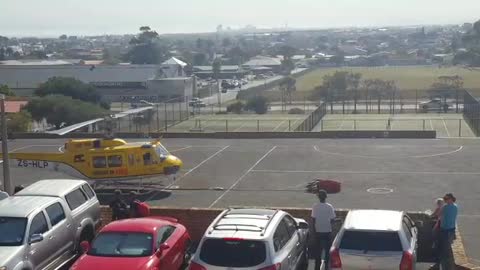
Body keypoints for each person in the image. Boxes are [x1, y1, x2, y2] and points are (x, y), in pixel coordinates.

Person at [311, 190, 336, 270]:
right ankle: (326, 268)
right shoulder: (329, 206)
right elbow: (332, 220)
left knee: (318, 253)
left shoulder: (315, 206)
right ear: (326, 197)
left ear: (319, 197)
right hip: (327, 232)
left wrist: (314, 231)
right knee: (327, 253)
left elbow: (313, 220)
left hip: (318, 232)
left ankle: (317, 268)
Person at [438, 193, 458, 270]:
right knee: (449, 244)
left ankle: (446, 263)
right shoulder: (456, 207)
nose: (445, 200)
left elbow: (439, 214)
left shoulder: (445, 207)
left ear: (450, 199)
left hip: (445, 229)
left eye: (446, 199)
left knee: (445, 245)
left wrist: (440, 208)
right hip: (451, 228)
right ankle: (450, 260)